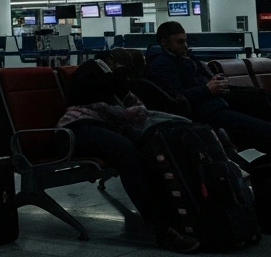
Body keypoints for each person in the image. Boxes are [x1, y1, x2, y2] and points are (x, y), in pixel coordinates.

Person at [149, 22, 271, 175]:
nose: (185, 46)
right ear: (165, 43)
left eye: (185, 41)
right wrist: (207, 89)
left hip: (220, 104)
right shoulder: (162, 64)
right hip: (207, 113)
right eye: (180, 42)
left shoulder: (185, 58)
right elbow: (176, 98)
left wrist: (213, 83)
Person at [59, 57, 198, 254]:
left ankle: (177, 215)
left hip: (109, 124)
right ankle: (162, 229)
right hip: (79, 126)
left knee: (151, 146)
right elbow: (88, 96)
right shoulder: (92, 68)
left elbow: (129, 102)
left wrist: (125, 83)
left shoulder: (120, 82)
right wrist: (119, 78)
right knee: (126, 151)